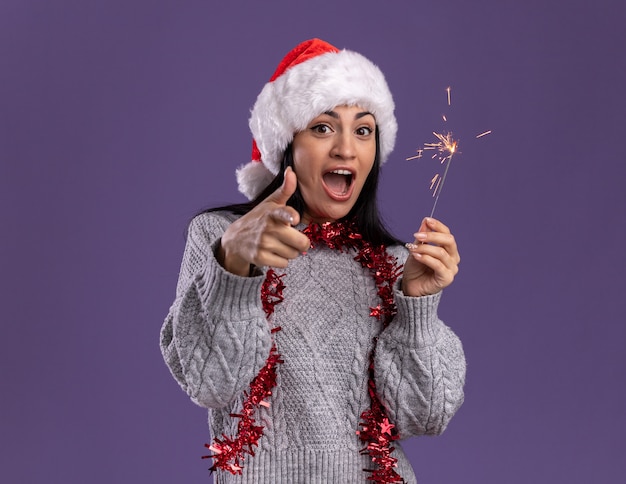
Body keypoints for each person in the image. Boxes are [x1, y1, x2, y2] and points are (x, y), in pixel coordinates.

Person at [160, 38, 466, 483]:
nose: (346, 149)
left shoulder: (393, 263)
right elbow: (210, 382)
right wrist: (232, 269)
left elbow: (426, 416)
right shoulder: (221, 238)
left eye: (363, 130)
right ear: (288, 144)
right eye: (323, 128)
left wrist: (416, 308)